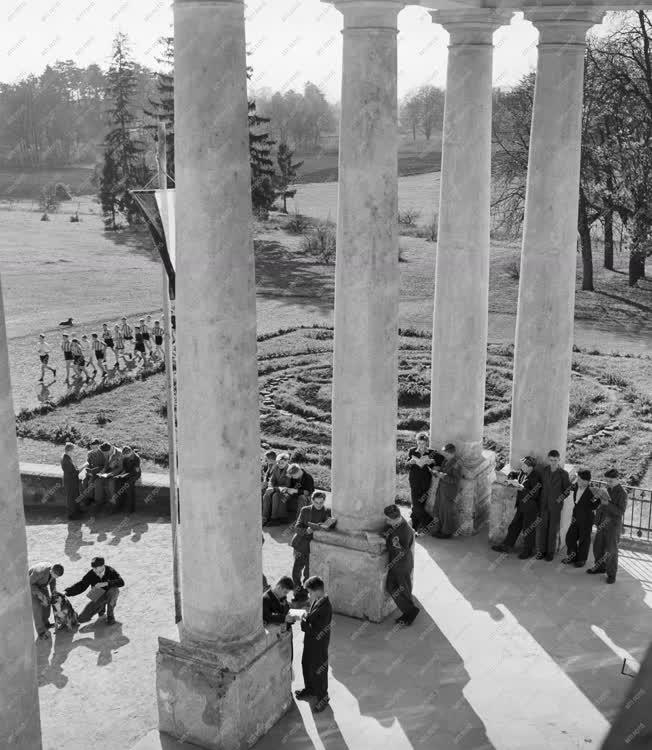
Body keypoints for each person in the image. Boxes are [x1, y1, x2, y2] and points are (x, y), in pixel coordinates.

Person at [491, 456, 542, 559]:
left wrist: (522, 488)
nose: (521, 466)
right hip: (521, 505)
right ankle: (507, 545)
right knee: (514, 526)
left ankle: (528, 551)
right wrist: (511, 477)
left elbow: (535, 494)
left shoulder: (535, 477)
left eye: (523, 465)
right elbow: (517, 476)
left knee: (528, 530)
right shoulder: (523, 472)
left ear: (530, 467)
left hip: (530, 508)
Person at [295, 576, 332, 713]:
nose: (309, 595)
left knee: (319, 670)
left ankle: (323, 697)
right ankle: (310, 689)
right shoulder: (317, 600)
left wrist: (303, 622)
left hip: (319, 644)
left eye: (310, 592)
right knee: (306, 664)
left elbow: (314, 629)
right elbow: (312, 616)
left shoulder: (326, 607)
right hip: (310, 642)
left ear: (317, 591)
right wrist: (307, 616)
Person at [291, 490, 336, 603]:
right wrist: (306, 530)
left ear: (324, 501)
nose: (319, 505)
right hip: (301, 544)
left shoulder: (328, 511)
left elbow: (331, 525)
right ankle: (297, 592)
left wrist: (329, 525)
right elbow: (297, 527)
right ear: (312, 501)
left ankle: (305, 594)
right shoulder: (305, 510)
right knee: (296, 570)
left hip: (314, 546)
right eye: (316, 502)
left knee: (308, 572)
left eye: (321, 502)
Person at [588, 468, 628, 583]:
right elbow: (601, 505)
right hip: (602, 523)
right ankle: (600, 567)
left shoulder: (622, 493)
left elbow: (620, 512)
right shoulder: (607, 489)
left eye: (610, 481)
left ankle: (611, 575)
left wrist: (607, 504)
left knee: (611, 551)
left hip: (613, 526)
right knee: (597, 547)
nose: (608, 483)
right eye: (607, 481)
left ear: (617, 479)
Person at [384, 503, 420, 625]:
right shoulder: (398, 522)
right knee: (391, 587)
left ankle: (410, 613)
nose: (386, 520)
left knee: (404, 590)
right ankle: (410, 611)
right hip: (396, 565)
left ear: (394, 519)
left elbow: (403, 551)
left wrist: (396, 545)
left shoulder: (404, 531)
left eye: (387, 519)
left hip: (402, 565)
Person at [65, 556, 124, 625]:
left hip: (109, 592)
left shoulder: (110, 570)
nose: (94, 570)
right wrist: (67, 592)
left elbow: (121, 582)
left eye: (95, 568)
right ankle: (101, 608)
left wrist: (105, 583)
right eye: (93, 568)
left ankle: (110, 616)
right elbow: (81, 585)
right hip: (97, 594)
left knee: (114, 591)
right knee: (81, 619)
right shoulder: (91, 573)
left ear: (102, 566)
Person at [536, 449, 572, 561]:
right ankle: (541, 551)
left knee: (553, 529)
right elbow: (540, 486)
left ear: (559, 460)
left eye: (555, 460)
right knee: (543, 528)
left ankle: (550, 552)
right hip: (544, 505)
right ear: (548, 459)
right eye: (551, 460)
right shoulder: (544, 471)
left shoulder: (563, 474)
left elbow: (567, 490)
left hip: (555, 507)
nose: (553, 462)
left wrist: (558, 500)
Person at [562, 469, 600, 567]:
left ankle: (582, 560)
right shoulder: (575, 486)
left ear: (586, 481)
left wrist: (599, 498)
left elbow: (594, 506)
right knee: (570, 537)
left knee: (584, 539)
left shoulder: (592, 491)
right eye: (578, 479)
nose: (578, 481)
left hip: (587, 518)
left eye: (579, 479)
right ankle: (572, 556)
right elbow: (568, 487)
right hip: (576, 516)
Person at [431, 443, 463, 539]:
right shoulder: (446, 460)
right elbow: (443, 471)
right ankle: (439, 529)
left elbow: (455, 480)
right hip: (441, 489)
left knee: (447, 512)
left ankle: (447, 532)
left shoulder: (457, 463)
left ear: (451, 453)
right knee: (439, 510)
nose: (444, 455)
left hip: (449, 491)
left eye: (446, 453)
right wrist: (436, 471)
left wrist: (443, 476)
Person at [407, 432, 436, 533]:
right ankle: (430, 523)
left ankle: (415, 527)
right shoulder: (412, 451)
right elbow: (407, 466)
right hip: (414, 481)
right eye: (419, 443)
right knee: (416, 505)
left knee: (421, 504)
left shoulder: (432, 452)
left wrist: (432, 462)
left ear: (426, 443)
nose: (420, 445)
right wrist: (410, 463)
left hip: (425, 482)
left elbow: (437, 466)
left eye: (423, 443)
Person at [28, 562, 64, 639]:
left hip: (42, 585)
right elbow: (29, 583)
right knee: (37, 608)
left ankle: (46, 623)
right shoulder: (39, 571)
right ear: (51, 571)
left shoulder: (53, 571)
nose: (56, 578)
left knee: (47, 603)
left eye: (57, 577)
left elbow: (53, 582)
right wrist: (41, 596)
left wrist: (54, 594)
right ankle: (41, 632)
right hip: (31, 586)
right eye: (55, 576)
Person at [262, 452, 294, 525]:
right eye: (278, 462)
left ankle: (274, 519)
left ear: (287, 461)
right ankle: (264, 517)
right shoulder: (276, 467)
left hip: (286, 490)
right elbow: (272, 480)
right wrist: (270, 487)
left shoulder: (290, 470)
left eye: (282, 463)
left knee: (275, 496)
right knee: (266, 495)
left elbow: (287, 485)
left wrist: (274, 489)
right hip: (276, 488)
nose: (280, 464)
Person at [61, 443, 86, 520]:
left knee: (75, 496)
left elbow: (73, 468)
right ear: (69, 451)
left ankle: (77, 511)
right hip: (70, 481)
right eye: (73, 451)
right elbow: (75, 472)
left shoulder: (66, 457)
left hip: (71, 481)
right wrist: (84, 465)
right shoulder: (66, 460)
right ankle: (72, 515)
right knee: (71, 498)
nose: (74, 452)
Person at [115, 446, 141, 514]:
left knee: (128, 486)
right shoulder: (125, 458)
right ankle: (120, 505)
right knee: (118, 483)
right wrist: (121, 475)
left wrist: (125, 475)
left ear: (130, 452)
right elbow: (124, 468)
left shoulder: (136, 458)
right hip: (127, 473)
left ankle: (130, 509)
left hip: (134, 474)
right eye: (124, 455)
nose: (125, 456)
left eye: (126, 454)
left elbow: (136, 471)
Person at [83, 438, 104, 504]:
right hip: (91, 472)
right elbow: (88, 463)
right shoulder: (89, 453)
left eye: (96, 446)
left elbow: (103, 465)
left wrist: (93, 471)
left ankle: (90, 498)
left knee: (91, 481)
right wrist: (88, 470)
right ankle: (86, 497)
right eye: (92, 446)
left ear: (98, 446)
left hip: (99, 472)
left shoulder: (102, 453)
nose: (94, 448)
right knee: (84, 481)